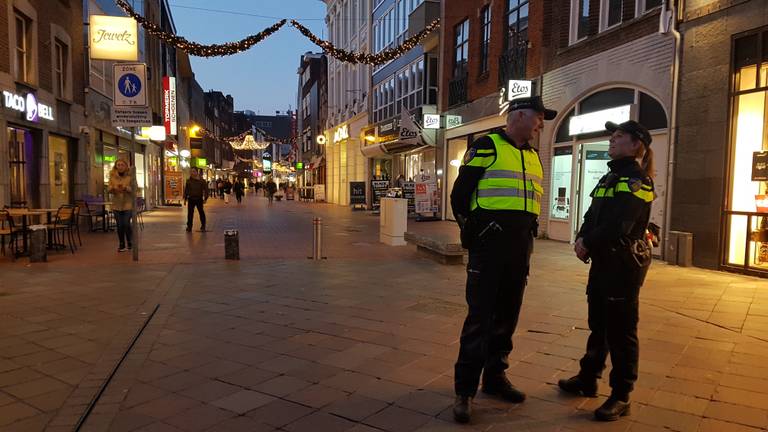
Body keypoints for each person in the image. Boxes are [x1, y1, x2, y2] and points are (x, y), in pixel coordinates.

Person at [450, 96, 557, 424]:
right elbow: (459, 196)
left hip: (519, 249)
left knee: (507, 317)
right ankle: (465, 390)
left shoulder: (533, 154)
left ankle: (495, 378)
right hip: (490, 247)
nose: (541, 125)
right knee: (480, 318)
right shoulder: (487, 145)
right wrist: (474, 234)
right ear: (520, 116)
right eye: (539, 118)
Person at [558, 120, 655, 422]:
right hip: (603, 263)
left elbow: (619, 225)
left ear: (636, 144)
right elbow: (592, 214)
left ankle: (621, 395)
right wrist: (580, 237)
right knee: (598, 325)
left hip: (623, 267)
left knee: (621, 332)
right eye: (612, 136)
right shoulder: (610, 176)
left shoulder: (638, 180)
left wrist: (588, 240)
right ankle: (588, 378)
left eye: (619, 137)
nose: (612, 141)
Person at [107, 159, 134, 252]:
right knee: (119, 225)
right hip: (116, 204)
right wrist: (113, 188)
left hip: (128, 203)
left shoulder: (130, 176)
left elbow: (135, 189)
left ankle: (130, 241)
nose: (120, 167)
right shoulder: (112, 176)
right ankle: (121, 244)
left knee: (126, 223)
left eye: (122, 165)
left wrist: (126, 188)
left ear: (126, 166)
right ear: (116, 166)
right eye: (118, 165)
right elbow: (109, 188)